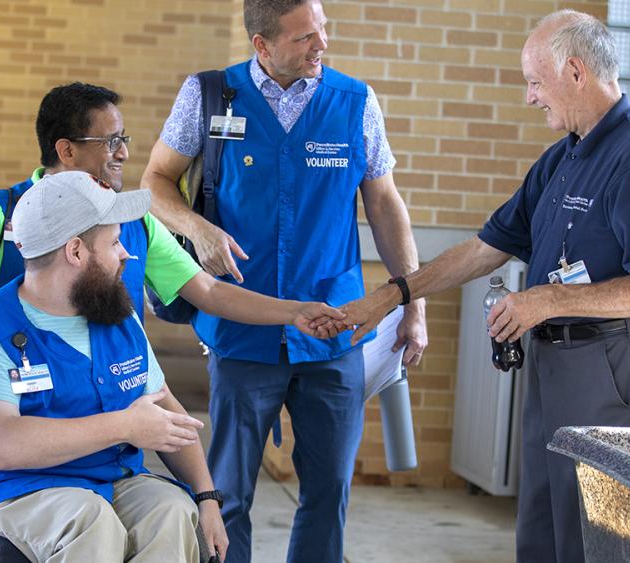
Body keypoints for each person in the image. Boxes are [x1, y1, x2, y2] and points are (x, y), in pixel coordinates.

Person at [337, 10, 630, 563]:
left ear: (575, 71)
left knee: (612, 547)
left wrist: (547, 299)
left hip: (618, 371)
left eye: (534, 81)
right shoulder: (563, 158)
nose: (530, 98)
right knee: (545, 536)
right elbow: (484, 249)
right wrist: (394, 295)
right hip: (558, 366)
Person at [141, 1, 427, 561]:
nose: (321, 45)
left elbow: (386, 205)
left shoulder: (356, 102)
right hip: (242, 330)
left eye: (323, 31)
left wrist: (412, 303)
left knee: (328, 493)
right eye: (304, 38)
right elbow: (155, 180)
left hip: (334, 329)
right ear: (262, 46)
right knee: (228, 494)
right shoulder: (208, 95)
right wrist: (197, 229)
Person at [0, 171, 345, 562]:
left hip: (105, 479)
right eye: (115, 242)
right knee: (91, 522)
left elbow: (165, 407)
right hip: (8, 489)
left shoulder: (116, 317)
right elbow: (0, 447)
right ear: (76, 251)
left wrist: (206, 497)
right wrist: (124, 426)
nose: (126, 254)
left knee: (172, 511)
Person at [0, 83, 182, 353]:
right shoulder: (2, 209)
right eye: (112, 141)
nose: (124, 153)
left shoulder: (137, 219)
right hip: (22, 379)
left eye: (123, 139)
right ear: (66, 149)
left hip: (113, 388)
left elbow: (206, 289)